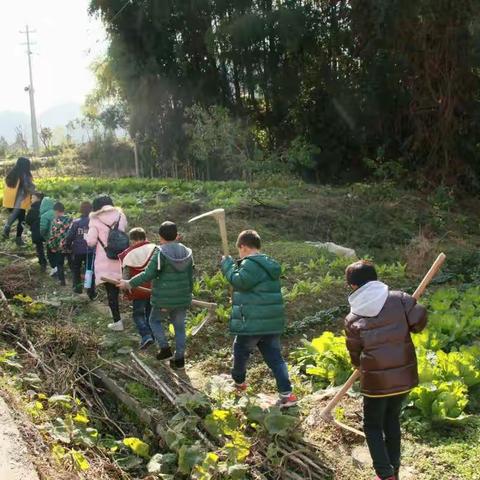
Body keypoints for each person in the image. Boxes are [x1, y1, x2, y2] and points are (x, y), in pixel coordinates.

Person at [344, 260, 428, 480]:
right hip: (403, 376)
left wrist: (359, 366)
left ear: (353, 286)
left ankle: (385, 474)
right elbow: (420, 322)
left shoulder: (353, 318)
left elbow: (355, 354)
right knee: (391, 420)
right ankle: (394, 472)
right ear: (375, 278)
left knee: (372, 425)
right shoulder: (399, 299)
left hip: (376, 383)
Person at [220, 229, 297, 408]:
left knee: (240, 351)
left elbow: (240, 282)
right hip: (270, 322)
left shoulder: (250, 263)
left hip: (252, 322)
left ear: (244, 247)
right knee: (275, 358)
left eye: (239, 249)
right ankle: (287, 395)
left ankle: (239, 383)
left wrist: (227, 266)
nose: (239, 253)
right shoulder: (269, 263)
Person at [118, 221, 193, 369]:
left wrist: (128, 283)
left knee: (153, 321)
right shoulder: (187, 252)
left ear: (160, 236)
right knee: (179, 328)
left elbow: (148, 274)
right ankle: (179, 360)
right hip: (182, 297)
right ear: (176, 235)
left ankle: (164, 348)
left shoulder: (160, 253)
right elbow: (191, 276)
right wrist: (188, 293)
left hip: (163, 298)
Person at [86, 195, 127, 330]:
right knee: (120, 286)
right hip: (121, 257)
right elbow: (122, 231)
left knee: (111, 291)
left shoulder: (94, 219)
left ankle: (117, 321)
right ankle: (118, 313)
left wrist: (87, 237)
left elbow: (91, 242)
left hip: (106, 260)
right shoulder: (120, 215)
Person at [118, 228, 156, 349]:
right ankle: (152, 337)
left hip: (138, 289)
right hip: (154, 288)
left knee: (138, 314)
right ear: (145, 237)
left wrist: (124, 291)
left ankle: (146, 336)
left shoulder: (130, 254)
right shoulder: (155, 249)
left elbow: (126, 276)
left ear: (133, 240)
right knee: (150, 313)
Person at [65, 201, 96, 299]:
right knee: (90, 270)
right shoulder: (94, 222)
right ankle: (91, 292)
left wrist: (68, 246)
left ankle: (77, 288)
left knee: (76, 269)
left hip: (77, 250)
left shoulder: (76, 222)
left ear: (81, 210)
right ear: (91, 209)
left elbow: (70, 236)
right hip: (90, 250)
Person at [2, 157, 35, 245]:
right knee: (21, 220)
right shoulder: (24, 175)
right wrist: (36, 192)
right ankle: (18, 239)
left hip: (8, 202)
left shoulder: (12, 174)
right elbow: (28, 188)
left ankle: (6, 229)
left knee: (16, 217)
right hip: (19, 203)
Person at [46, 202, 72, 287]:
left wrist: (52, 246)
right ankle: (75, 282)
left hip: (59, 247)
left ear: (57, 211)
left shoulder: (55, 221)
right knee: (72, 264)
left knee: (60, 264)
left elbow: (53, 235)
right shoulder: (70, 219)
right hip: (69, 245)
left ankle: (62, 282)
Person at [25, 191, 47, 272]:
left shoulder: (33, 209)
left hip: (36, 231)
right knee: (50, 247)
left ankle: (43, 263)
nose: (31, 199)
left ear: (38, 198)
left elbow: (27, 220)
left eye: (33, 198)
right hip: (46, 230)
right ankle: (55, 265)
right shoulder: (46, 207)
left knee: (39, 248)